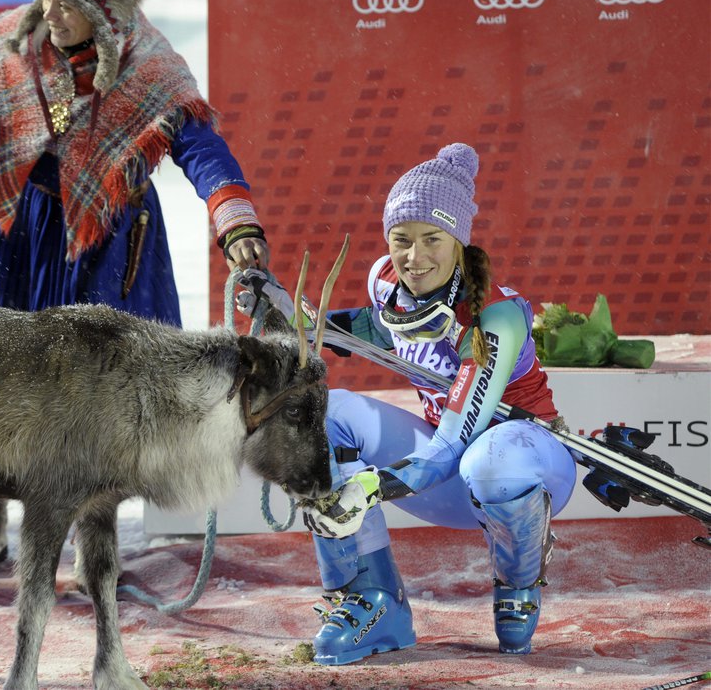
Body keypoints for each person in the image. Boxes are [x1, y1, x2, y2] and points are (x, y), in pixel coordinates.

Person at [0, 0, 269, 579]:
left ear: (105, 3)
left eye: (69, 2)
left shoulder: (148, 65)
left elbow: (199, 146)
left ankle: (92, 541)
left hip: (106, 238)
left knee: (97, 393)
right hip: (14, 227)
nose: (51, 11)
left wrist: (235, 219)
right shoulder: (8, 42)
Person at [239, 143, 577, 661]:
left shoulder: (496, 317)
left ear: (459, 242)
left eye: (431, 240)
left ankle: (518, 579)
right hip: (449, 477)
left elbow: (450, 448)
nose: (414, 258)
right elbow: (377, 329)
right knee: (324, 418)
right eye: (401, 239)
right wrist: (288, 312)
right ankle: (372, 600)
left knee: (491, 462)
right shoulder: (388, 283)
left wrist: (370, 488)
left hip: (524, 464)